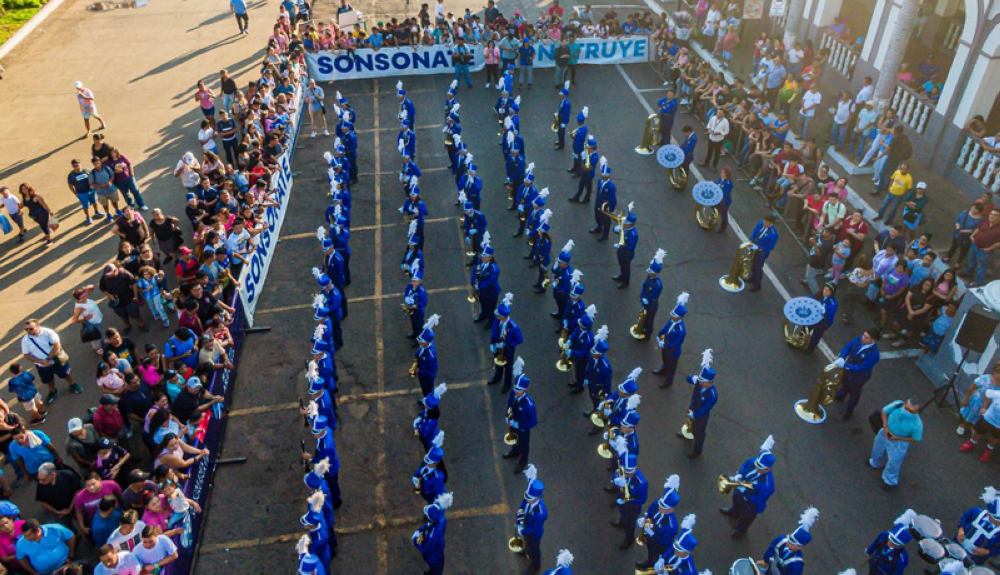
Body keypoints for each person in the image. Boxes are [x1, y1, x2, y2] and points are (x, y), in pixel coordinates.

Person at [722, 435, 776, 538]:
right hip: (740, 489)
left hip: (751, 504)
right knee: (736, 500)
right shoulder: (755, 462)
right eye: (757, 464)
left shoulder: (768, 485)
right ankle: (734, 511)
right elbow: (746, 464)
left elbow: (758, 500)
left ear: (768, 469)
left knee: (746, 518)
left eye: (760, 467)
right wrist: (740, 474)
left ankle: (741, 530)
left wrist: (745, 492)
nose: (757, 467)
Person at [21, 319, 81, 403]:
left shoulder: (48, 332)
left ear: (37, 326)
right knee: (48, 380)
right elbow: (26, 355)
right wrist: (41, 362)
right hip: (42, 365)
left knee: (65, 373)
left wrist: (48, 359)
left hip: (56, 360)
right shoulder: (25, 340)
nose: (28, 331)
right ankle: (52, 391)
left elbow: (57, 345)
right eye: (26, 329)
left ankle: (72, 384)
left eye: (31, 329)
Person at [870, 399, 922, 489]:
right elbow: (884, 411)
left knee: (894, 462)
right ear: (904, 404)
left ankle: (889, 481)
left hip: (899, 442)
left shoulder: (917, 424)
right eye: (906, 408)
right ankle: (876, 462)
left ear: (916, 412)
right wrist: (885, 427)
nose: (907, 412)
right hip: (885, 433)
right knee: (877, 449)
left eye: (911, 411)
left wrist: (897, 438)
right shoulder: (897, 405)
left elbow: (914, 439)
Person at [759, 508, 819, 575]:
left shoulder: (797, 565)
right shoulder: (781, 539)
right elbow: (771, 549)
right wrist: (766, 560)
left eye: (792, 543)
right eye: (789, 539)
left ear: (800, 547)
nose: (788, 542)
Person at [503, 359, 537, 475]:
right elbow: (510, 404)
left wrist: (519, 425)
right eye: (515, 389)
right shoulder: (513, 393)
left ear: (525, 390)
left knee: (524, 444)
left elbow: (533, 422)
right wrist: (507, 416)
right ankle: (515, 450)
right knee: (514, 440)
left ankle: (523, 461)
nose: (516, 392)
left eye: (519, 390)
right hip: (513, 422)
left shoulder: (529, 405)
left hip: (522, 428)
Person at [516, 465, 548, 573]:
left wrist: (522, 530)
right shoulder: (530, 496)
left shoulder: (541, 513)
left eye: (529, 498)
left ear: (538, 498)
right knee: (527, 543)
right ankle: (525, 550)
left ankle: (535, 565)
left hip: (534, 535)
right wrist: (520, 518)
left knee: (534, 550)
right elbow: (523, 504)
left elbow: (533, 531)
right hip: (527, 525)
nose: (527, 499)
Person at [99, 264, 147, 334]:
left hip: (129, 298)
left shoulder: (124, 274)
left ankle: (141, 324)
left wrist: (136, 296)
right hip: (116, 301)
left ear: (115, 270)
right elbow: (102, 289)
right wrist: (109, 296)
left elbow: (134, 284)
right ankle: (127, 325)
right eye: (106, 274)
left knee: (135, 313)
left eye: (109, 274)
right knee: (122, 314)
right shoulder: (104, 278)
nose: (108, 275)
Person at [653, 294, 688, 388]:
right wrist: (659, 335)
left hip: (672, 351)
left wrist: (664, 345)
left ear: (679, 317)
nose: (671, 315)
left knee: (671, 365)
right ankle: (664, 370)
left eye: (673, 314)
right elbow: (666, 329)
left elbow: (676, 343)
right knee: (664, 359)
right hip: (665, 345)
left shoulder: (681, 330)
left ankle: (669, 381)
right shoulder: (672, 320)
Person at [412, 492, 451, 575]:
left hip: (433, 558)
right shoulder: (441, 520)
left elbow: (424, 548)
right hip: (439, 550)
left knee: (437, 571)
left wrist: (416, 537)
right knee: (440, 567)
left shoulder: (430, 536)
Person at [964, 208, 1000, 287]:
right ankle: (968, 273)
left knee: (981, 267)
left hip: (985, 251)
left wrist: (989, 249)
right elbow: (978, 228)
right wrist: (972, 235)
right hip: (975, 245)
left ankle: (978, 282)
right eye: (991, 214)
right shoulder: (985, 221)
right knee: (971, 260)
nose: (992, 216)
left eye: (995, 215)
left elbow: (998, 243)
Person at [747, 215, 779, 292]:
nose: (764, 223)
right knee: (752, 263)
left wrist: (758, 248)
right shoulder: (760, 223)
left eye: (767, 222)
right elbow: (755, 232)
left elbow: (770, 247)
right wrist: (751, 240)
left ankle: (757, 285)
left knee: (757, 268)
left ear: (771, 223)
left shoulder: (774, 234)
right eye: (764, 221)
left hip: (761, 252)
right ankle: (752, 277)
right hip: (753, 247)